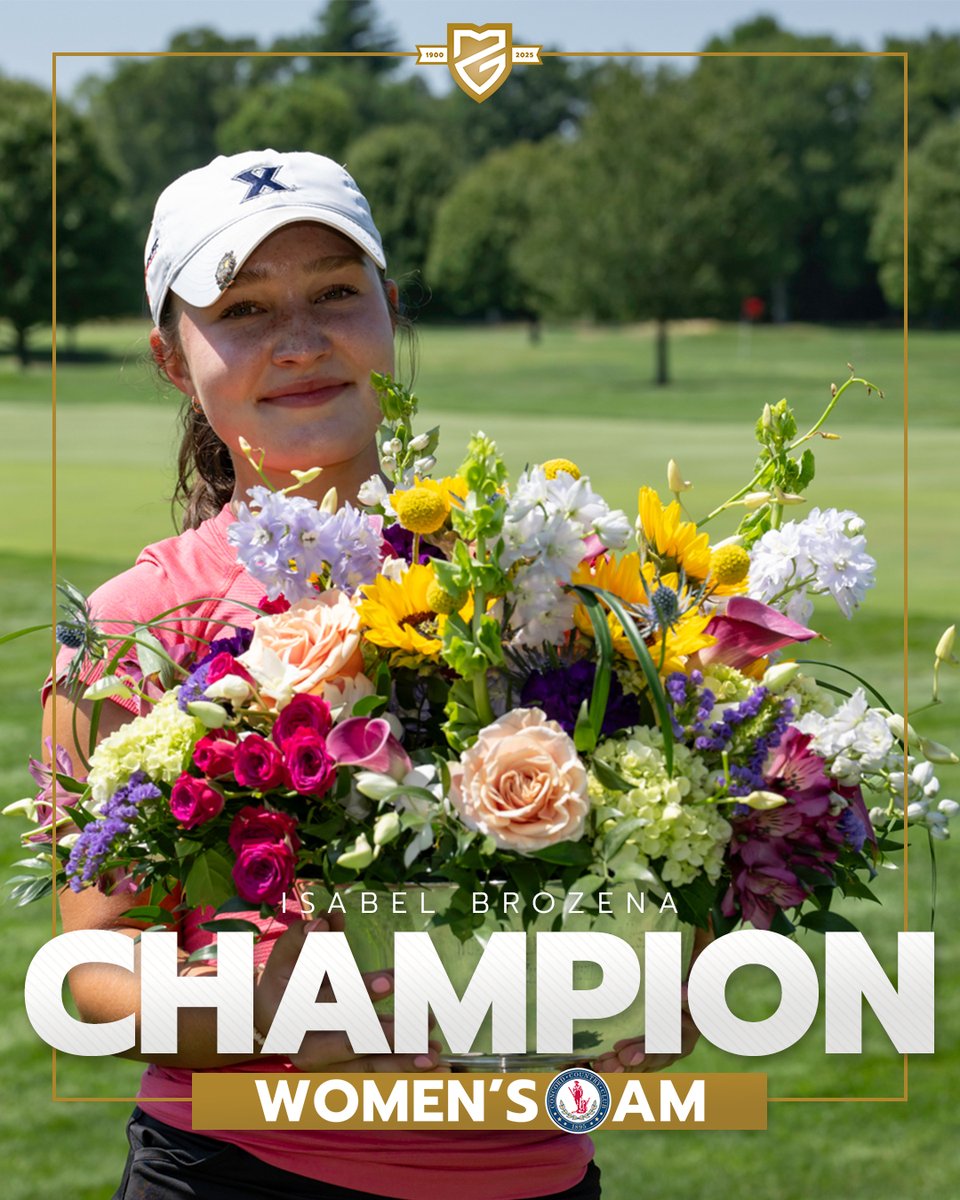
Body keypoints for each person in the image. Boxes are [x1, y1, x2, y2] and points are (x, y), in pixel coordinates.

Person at [43, 149, 702, 1200]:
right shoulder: (131, 627)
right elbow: (93, 972)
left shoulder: (542, 579)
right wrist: (279, 1022)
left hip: (531, 1173)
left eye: (336, 294)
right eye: (245, 308)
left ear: (391, 313)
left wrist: (677, 983)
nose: (300, 341)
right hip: (244, 1172)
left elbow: (672, 859)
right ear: (174, 359)